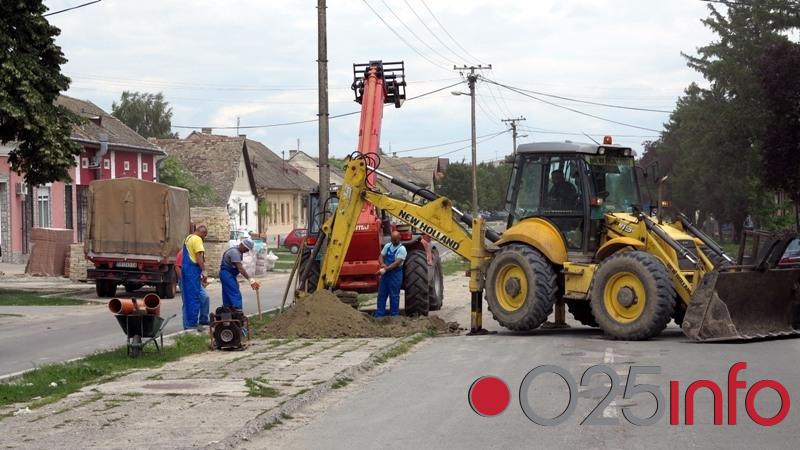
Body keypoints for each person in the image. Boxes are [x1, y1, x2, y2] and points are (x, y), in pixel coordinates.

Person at [181, 225, 209, 330]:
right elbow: (198, 257)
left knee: (188, 299)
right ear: (203, 233)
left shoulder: (188, 238)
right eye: (204, 236)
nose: (204, 238)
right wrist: (204, 271)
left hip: (186, 270)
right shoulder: (197, 239)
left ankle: (188, 323)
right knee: (194, 298)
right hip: (192, 271)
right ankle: (192, 324)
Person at [220, 239, 260, 310]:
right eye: (246, 249)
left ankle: (227, 310)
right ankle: (238, 310)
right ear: (242, 245)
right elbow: (240, 268)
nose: (247, 251)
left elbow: (234, 268)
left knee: (227, 293)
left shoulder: (238, 252)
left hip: (229, 275)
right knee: (235, 293)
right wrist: (250, 280)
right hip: (226, 274)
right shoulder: (234, 252)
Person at [375, 231, 406, 317]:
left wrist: (384, 269)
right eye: (393, 240)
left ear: (399, 238)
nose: (394, 241)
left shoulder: (402, 249)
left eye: (396, 240)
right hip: (386, 276)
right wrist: (382, 264)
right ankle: (379, 315)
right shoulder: (388, 246)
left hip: (395, 275)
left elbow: (396, 263)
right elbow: (381, 256)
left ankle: (394, 316)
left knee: (394, 296)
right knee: (382, 294)